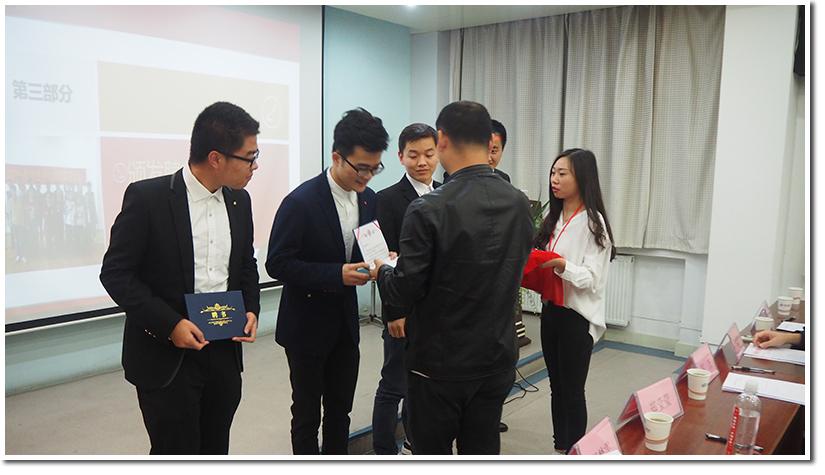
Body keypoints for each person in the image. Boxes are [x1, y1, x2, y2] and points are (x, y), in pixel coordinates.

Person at [372, 101, 533, 455]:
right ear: (488, 141)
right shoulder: (518, 202)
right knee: (483, 447)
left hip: (440, 366)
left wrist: (382, 269)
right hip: (497, 357)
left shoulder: (429, 208)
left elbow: (403, 289)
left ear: (441, 139)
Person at [99, 101, 261, 454]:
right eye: (250, 157)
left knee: (215, 449)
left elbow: (245, 264)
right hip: (166, 356)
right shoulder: (148, 198)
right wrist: (170, 324)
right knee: (175, 452)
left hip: (223, 349)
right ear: (216, 158)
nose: (255, 166)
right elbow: (116, 273)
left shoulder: (240, 201)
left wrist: (251, 308)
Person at [266, 107, 389, 455]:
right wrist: (336, 274)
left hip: (345, 325)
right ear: (337, 157)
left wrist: (381, 260)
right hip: (306, 326)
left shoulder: (369, 198)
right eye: (361, 168)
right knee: (306, 414)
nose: (367, 176)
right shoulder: (301, 202)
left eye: (375, 168)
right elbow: (277, 263)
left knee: (340, 410)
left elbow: (366, 244)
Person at [535, 148, 615, 454]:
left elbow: (593, 279)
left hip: (577, 318)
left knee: (572, 390)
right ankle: (561, 449)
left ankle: (575, 452)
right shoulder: (552, 218)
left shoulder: (594, 223)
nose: (554, 180)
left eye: (562, 173)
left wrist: (561, 266)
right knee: (556, 386)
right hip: (551, 311)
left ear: (581, 177)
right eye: (553, 173)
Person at [371, 123, 440, 455]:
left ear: (438, 153)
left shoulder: (446, 193)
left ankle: (414, 445)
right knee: (394, 384)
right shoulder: (386, 200)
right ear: (400, 156)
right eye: (413, 155)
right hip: (402, 309)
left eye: (428, 153)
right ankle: (384, 450)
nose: (422, 162)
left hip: (435, 311)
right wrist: (394, 312)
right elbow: (382, 261)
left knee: (423, 383)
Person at [442, 118, 511, 185]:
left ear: (502, 150)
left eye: (493, 151)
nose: (488, 158)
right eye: (483, 150)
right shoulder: (454, 177)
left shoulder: (504, 179)